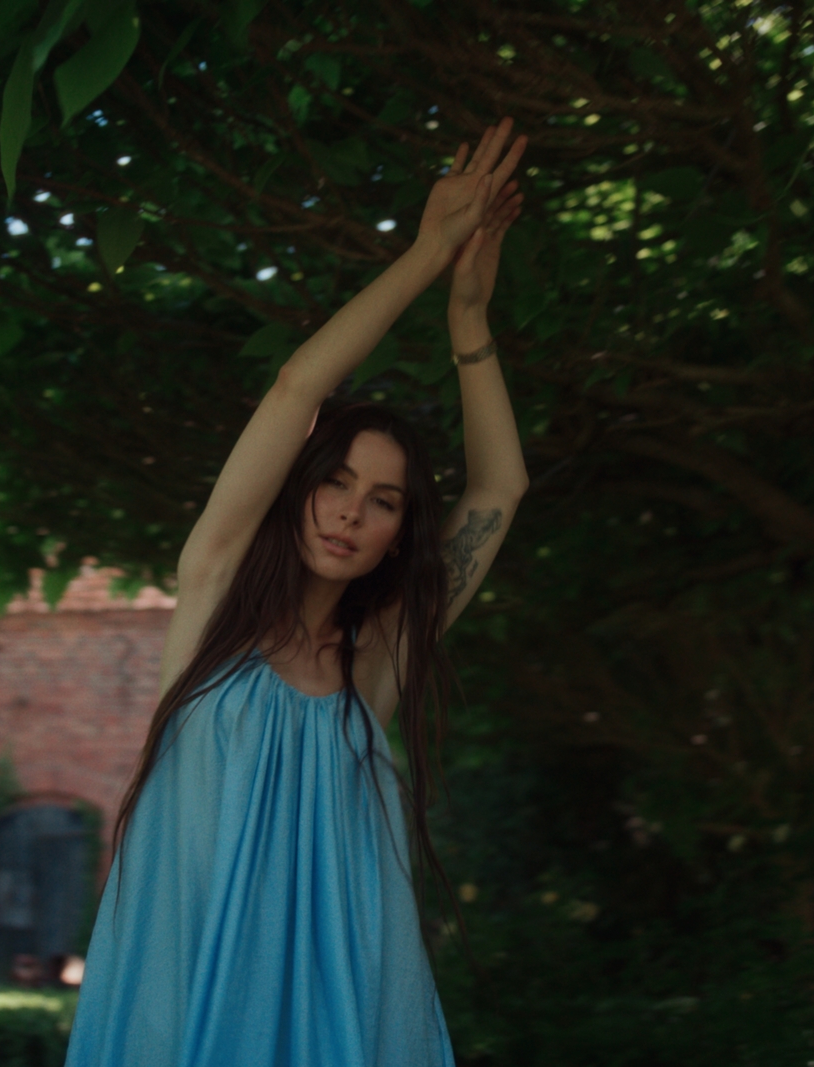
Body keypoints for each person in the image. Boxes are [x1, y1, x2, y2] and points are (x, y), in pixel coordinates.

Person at [64, 119, 530, 1067]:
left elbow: (499, 492)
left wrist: (469, 324)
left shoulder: (377, 665)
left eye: (384, 501)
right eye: (335, 481)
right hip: (177, 1004)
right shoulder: (212, 597)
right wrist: (425, 256)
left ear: (401, 533)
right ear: (301, 486)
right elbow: (294, 388)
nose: (350, 513)